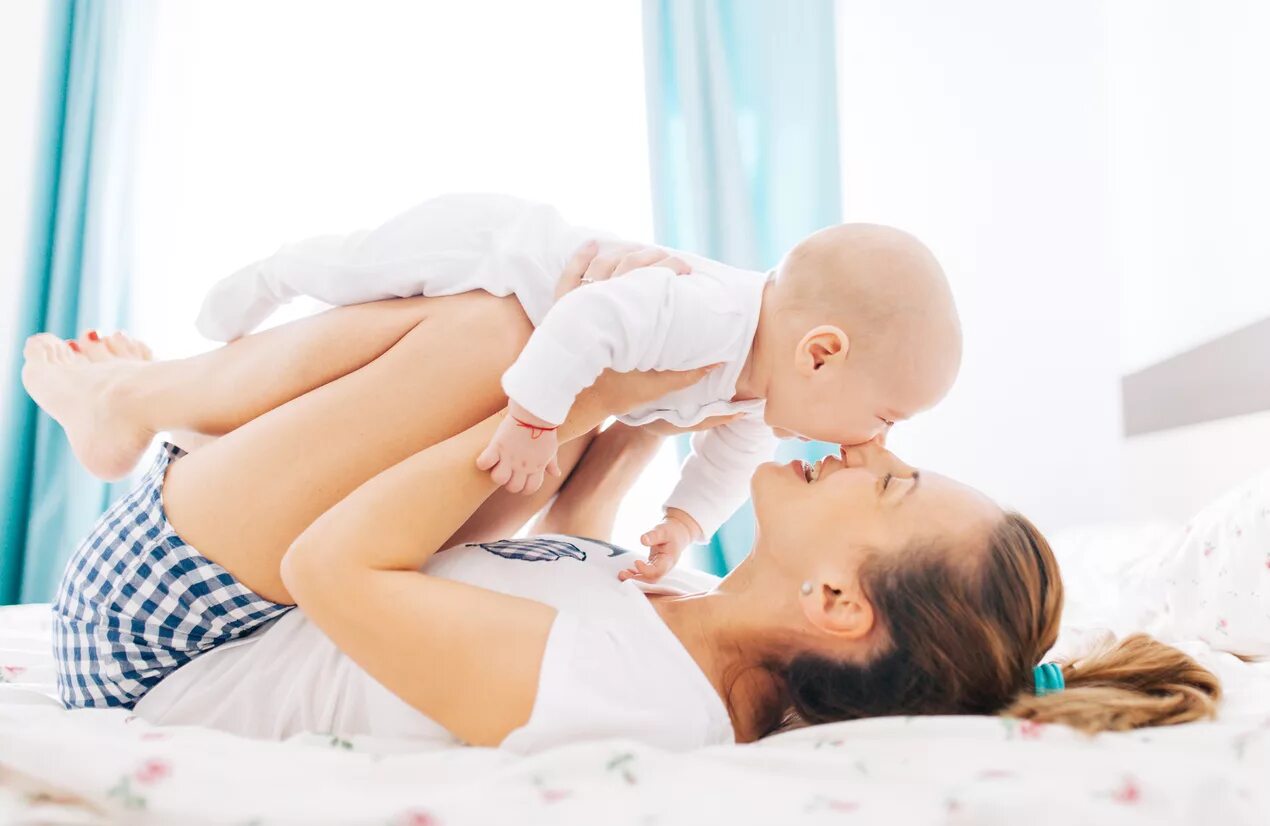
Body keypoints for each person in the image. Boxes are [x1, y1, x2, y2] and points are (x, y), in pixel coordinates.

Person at [22, 274, 1218, 749]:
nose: (865, 447)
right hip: (247, 597)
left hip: (162, 647)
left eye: (891, 480)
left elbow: (333, 566)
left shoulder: (631, 699)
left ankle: (130, 407)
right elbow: (525, 552)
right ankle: (142, 403)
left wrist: (576, 395)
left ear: (837, 600)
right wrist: (629, 424)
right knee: (515, 345)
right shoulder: (690, 626)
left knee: (501, 342)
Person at [192, 194, 962, 580]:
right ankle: (274, 274)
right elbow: (586, 320)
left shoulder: (761, 397)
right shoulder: (706, 314)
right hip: (498, 253)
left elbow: (727, 461)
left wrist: (684, 525)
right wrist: (532, 422)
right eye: (885, 416)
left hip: (507, 328)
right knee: (360, 272)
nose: (876, 440)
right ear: (821, 354)